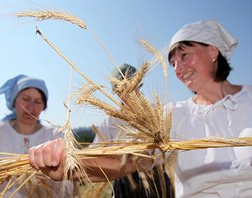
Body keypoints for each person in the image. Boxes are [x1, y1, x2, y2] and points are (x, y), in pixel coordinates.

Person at [28, 19, 252, 198]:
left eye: (184, 55)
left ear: (213, 52)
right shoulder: (172, 115)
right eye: (172, 63)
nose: (178, 68)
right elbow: (126, 161)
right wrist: (70, 165)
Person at [91, 63, 173, 197]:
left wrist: (150, 155)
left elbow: (169, 146)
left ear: (138, 83)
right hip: (124, 181)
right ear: (115, 92)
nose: (126, 91)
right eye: (120, 89)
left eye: (130, 85)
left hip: (157, 179)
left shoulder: (157, 111)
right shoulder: (110, 121)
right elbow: (96, 151)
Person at [0, 74, 72, 197]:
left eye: (38, 101)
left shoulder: (56, 136)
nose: (31, 107)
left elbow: (67, 185)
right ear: (13, 101)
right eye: (25, 99)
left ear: (44, 107)